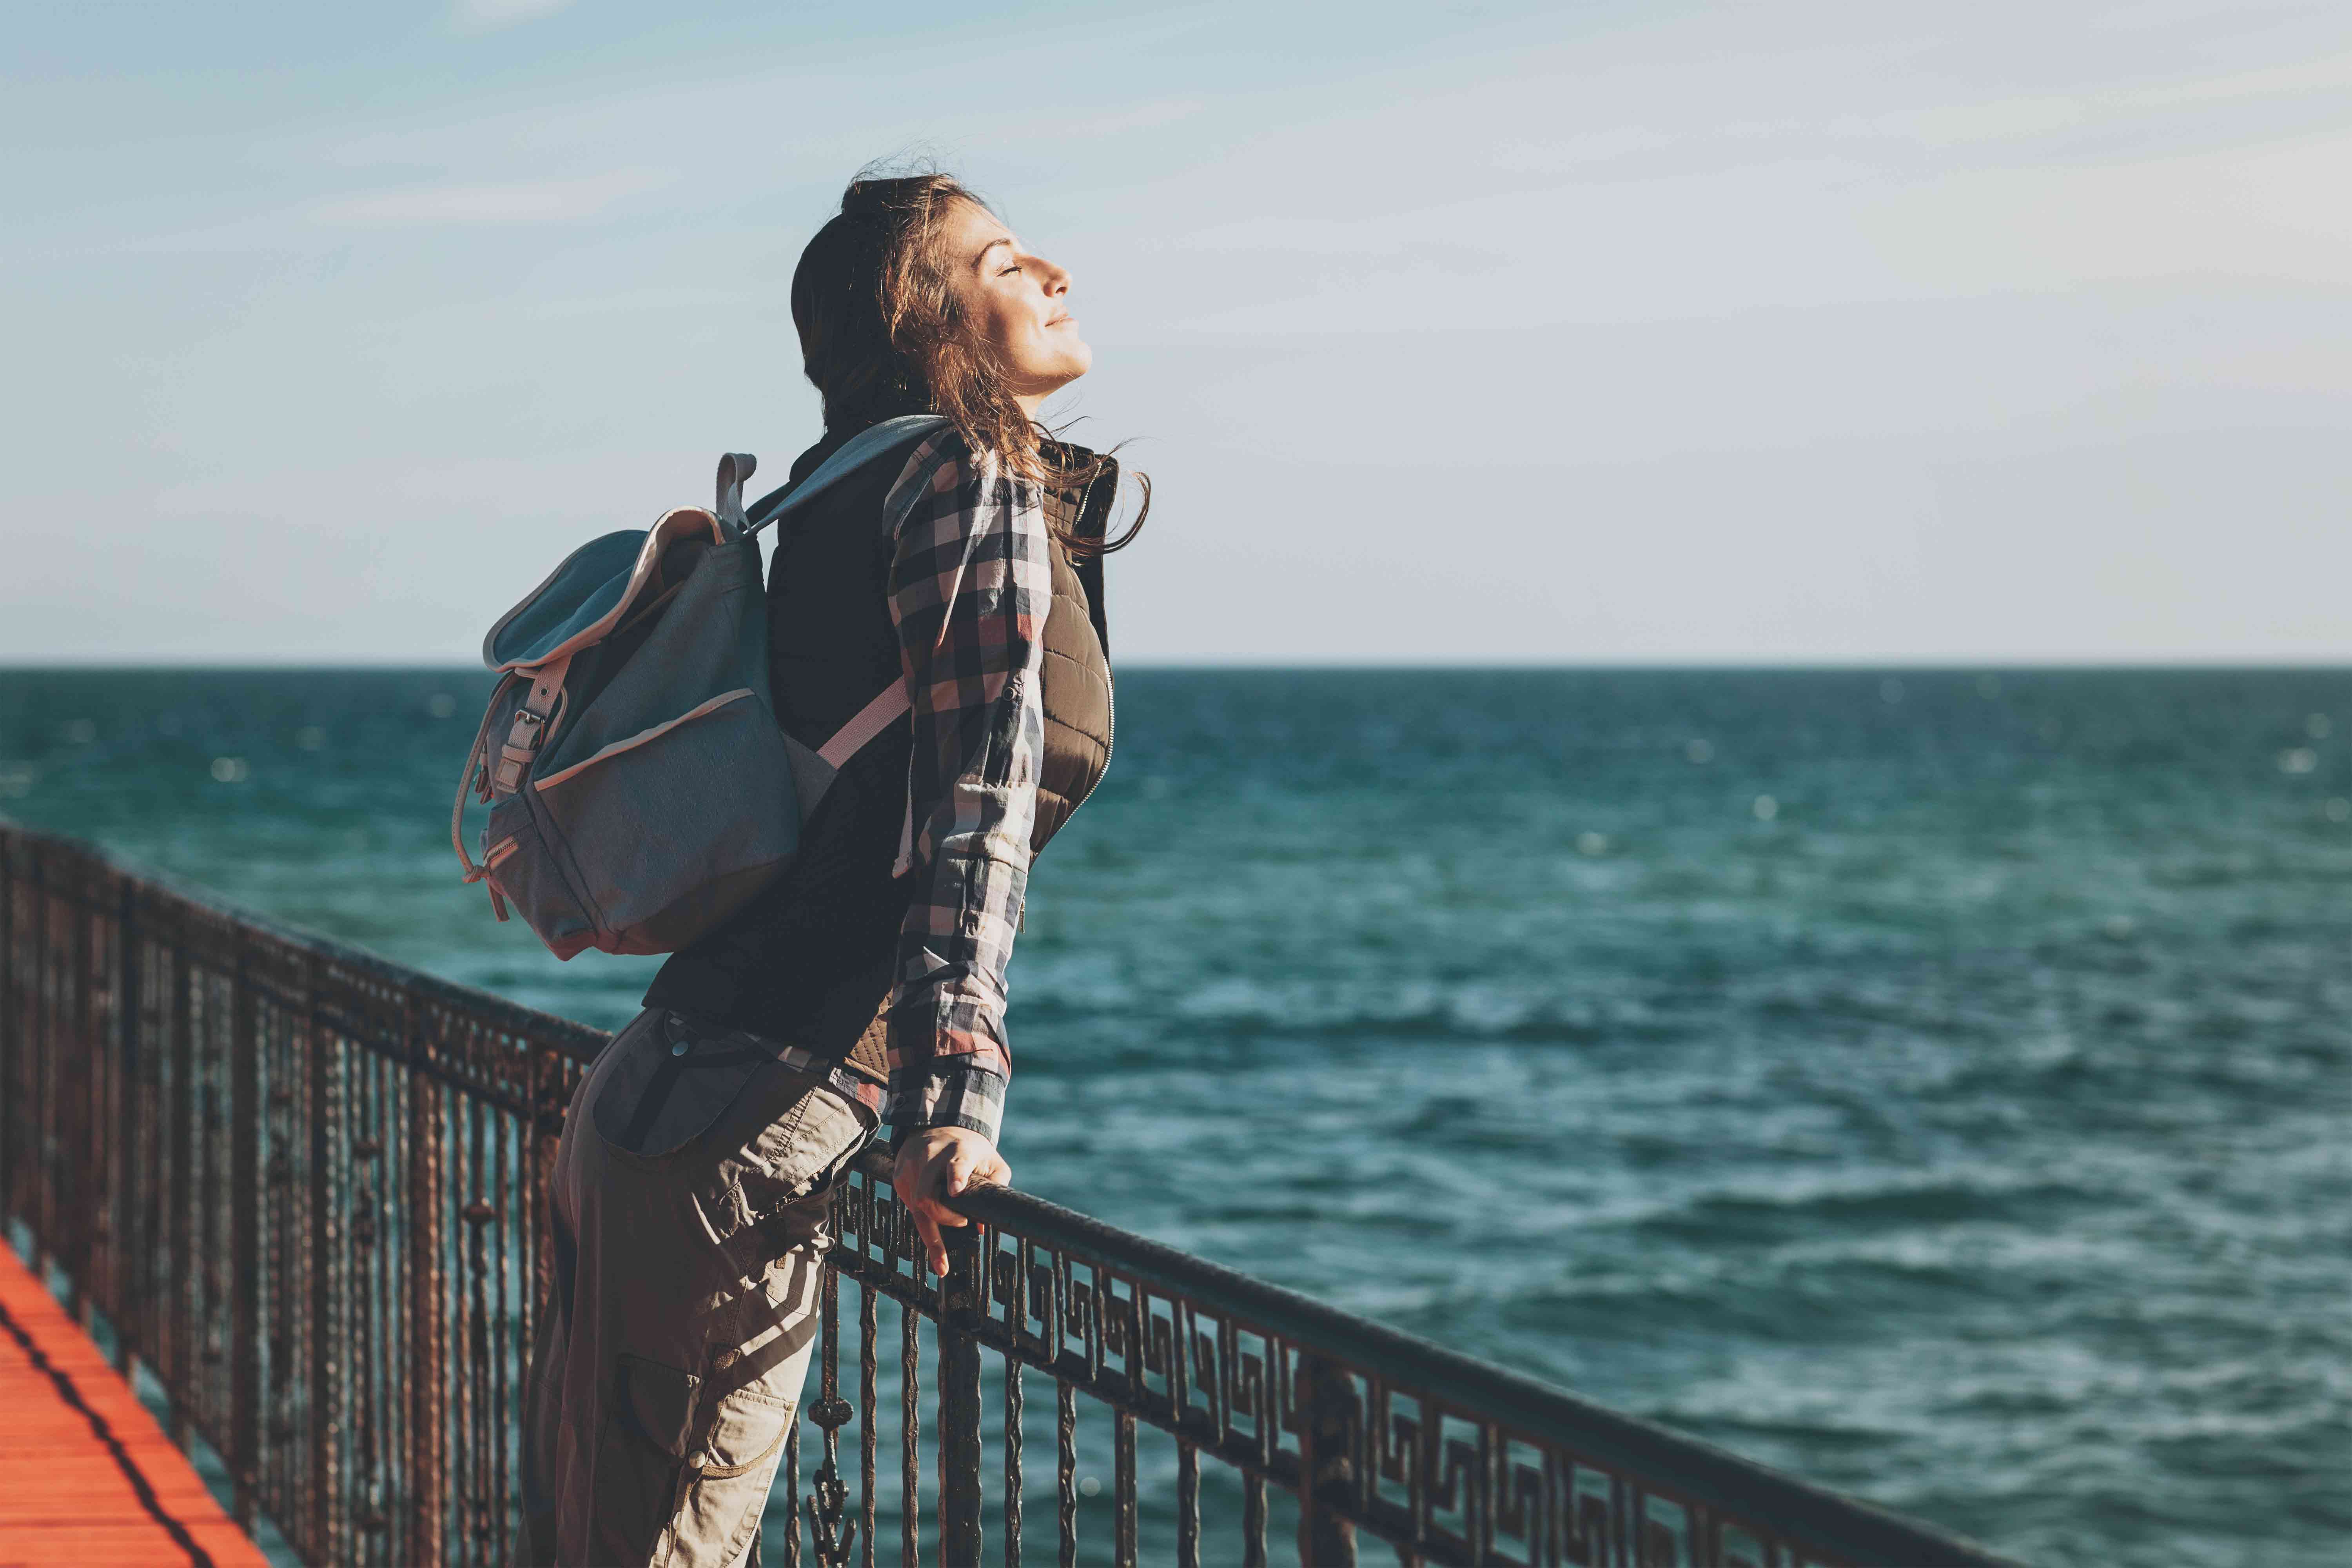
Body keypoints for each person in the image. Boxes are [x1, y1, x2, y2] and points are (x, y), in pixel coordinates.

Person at [520, 169, 1142, 1567]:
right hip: (744, 1127)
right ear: (931, 315)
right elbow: (969, 812)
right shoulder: (961, 478)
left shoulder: (835, 491)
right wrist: (952, 1105)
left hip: (664, 1101)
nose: (1050, 270)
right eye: (1001, 260)